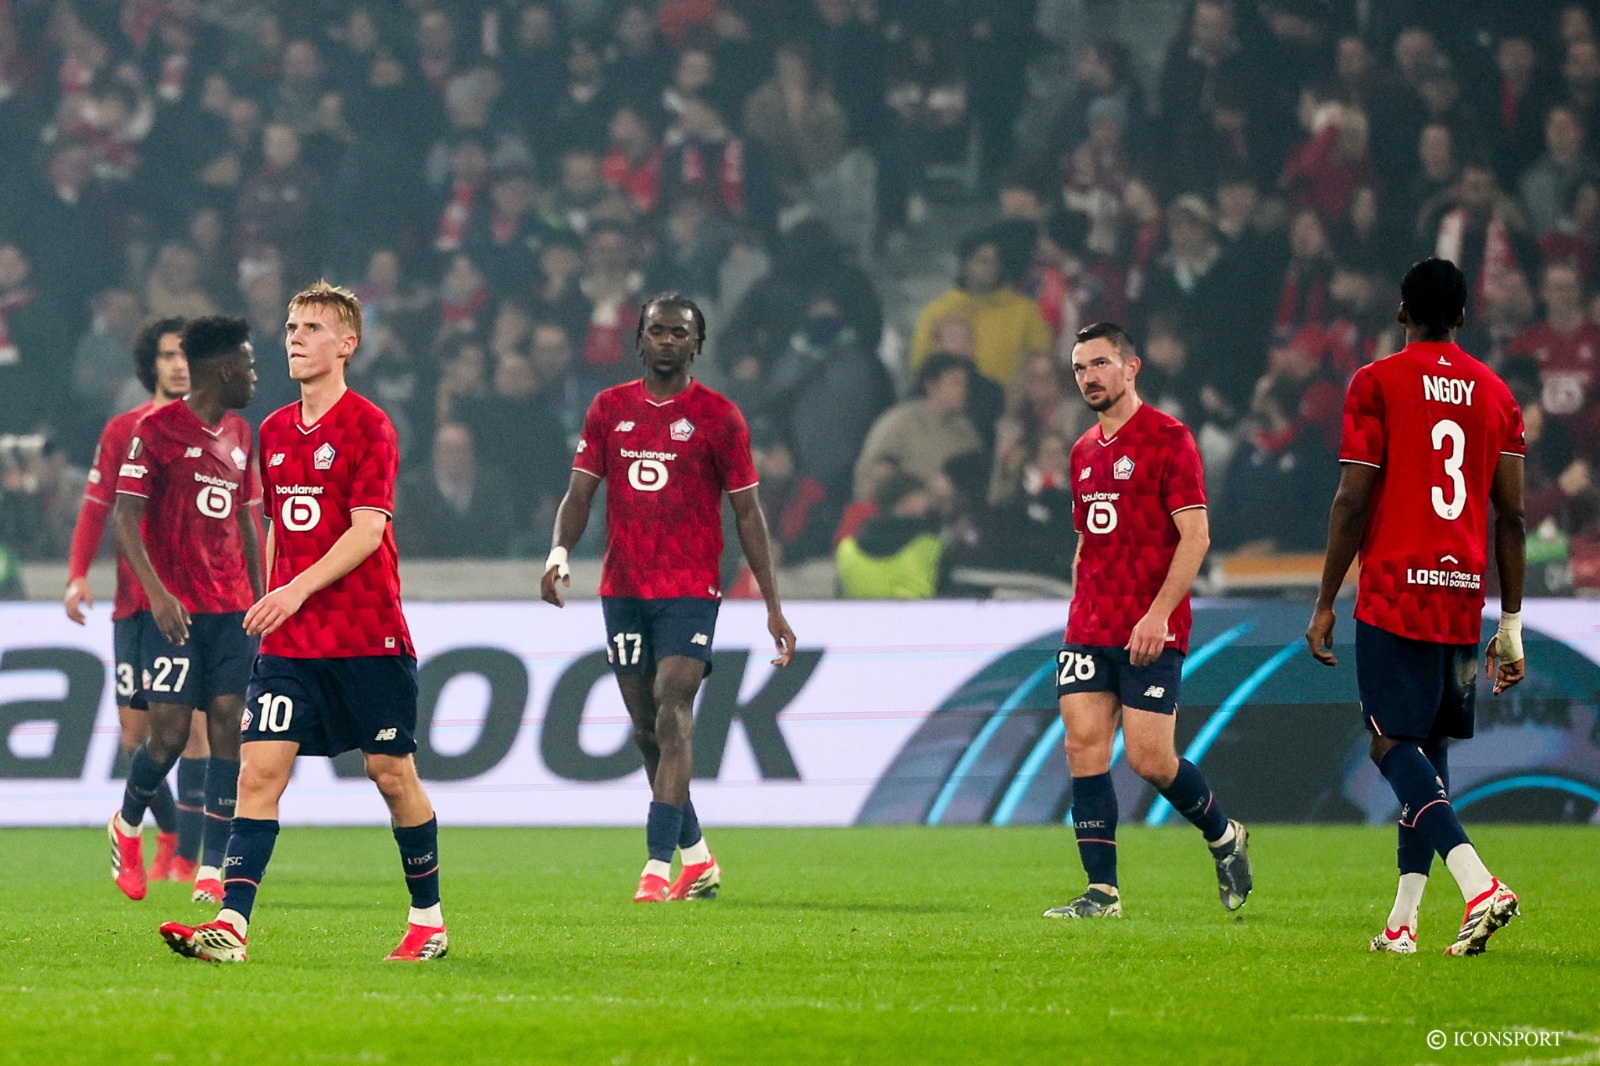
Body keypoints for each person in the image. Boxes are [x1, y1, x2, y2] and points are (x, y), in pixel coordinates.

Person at [160, 282, 447, 964]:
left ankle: (428, 920)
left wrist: (293, 589)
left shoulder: (371, 425)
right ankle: (231, 926)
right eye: (290, 327)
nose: (294, 337)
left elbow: (368, 531)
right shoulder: (274, 431)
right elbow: (273, 529)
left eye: (312, 327)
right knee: (258, 774)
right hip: (291, 644)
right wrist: (269, 601)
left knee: (390, 773)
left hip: (367, 635)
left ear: (347, 344)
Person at [541, 293, 797, 903]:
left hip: (689, 587)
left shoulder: (720, 417)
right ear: (639, 339)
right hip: (624, 587)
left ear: (696, 345)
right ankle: (698, 858)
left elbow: (748, 513)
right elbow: (580, 492)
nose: (667, 340)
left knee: (672, 704)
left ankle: (656, 865)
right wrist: (558, 552)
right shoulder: (609, 408)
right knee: (644, 730)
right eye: (657, 330)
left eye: (679, 333)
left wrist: (772, 604)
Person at [1306, 258, 1527, 957]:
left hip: (1396, 592)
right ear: (1462, 316)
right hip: (1461, 597)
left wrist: (1325, 600)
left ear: (1402, 311)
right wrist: (1511, 623)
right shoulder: (1497, 394)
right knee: (1426, 749)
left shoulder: (1376, 382)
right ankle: (1403, 924)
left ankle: (1479, 885)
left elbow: (1352, 499)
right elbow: (1513, 517)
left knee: (1389, 743)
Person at [1045, 321, 1252, 920]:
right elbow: (1087, 539)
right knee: (1083, 746)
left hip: (1151, 627)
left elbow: (1196, 535)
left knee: (1149, 760)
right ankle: (1102, 893)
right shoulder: (1083, 452)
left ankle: (1224, 836)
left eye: (1100, 364)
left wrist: (1158, 615)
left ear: (1131, 367)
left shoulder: (1169, 439)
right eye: (1080, 368)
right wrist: (1078, 604)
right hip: (1089, 626)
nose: (1089, 377)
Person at [108, 317, 263, 906]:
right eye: (248, 365)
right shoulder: (155, 431)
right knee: (169, 737)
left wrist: (262, 598)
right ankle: (127, 824)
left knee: (228, 728)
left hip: (231, 609)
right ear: (223, 371)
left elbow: (246, 521)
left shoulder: (242, 432)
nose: (254, 375)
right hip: (175, 611)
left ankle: (211, 869)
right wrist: (156, 593)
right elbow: (125, 517)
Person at [67, 318, 212, 885]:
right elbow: (97, 506)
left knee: (195, 728)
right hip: (134, 604)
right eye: (170, 355)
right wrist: (78, 574)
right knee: (136, 736)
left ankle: (187, 858)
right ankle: (169, 830)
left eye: (188, 356)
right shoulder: (122, 430)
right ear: (152, 363)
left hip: (195, 603)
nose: (179, 366)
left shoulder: (215, 430)